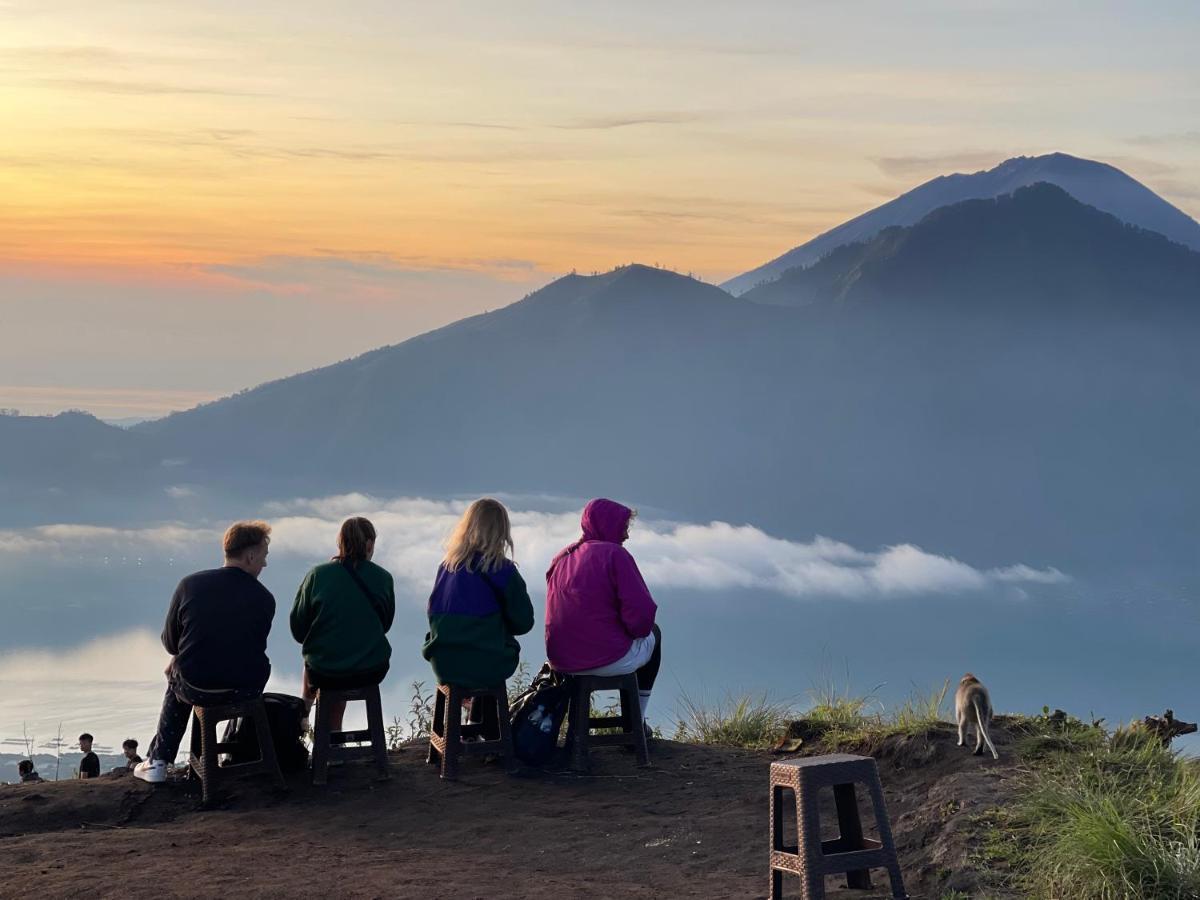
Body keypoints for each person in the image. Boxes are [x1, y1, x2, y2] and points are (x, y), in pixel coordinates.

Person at [134, 520, 275, 784]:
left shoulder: (190, 585)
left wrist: (178, 658)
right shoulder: (265, 598)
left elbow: (170, 643)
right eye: (264, 557)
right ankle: (229, 752)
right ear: (250, 555)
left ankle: (159, 760)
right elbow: (250, 645)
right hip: (246, 690)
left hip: (197, 688)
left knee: (178, 671)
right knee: (198, 666)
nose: (264, 564)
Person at [545, 498, 661, 724]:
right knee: (654, 634)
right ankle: (635, 722)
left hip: (561, 661)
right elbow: (641, 618)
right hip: (605, 658)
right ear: (608, 524)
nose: (626, 535)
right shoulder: (615, 555)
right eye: (624, 527)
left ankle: (577, 733)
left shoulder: (561, 558)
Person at [423, 499, 534, 727]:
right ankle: (491, 736)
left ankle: (474, 722)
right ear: (501, 531)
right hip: (485, 663)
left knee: (482, 645)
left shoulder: (446, 567)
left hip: (444, 662)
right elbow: (524, 623)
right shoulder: (503, 570)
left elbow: (433, 616)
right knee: (494, 650)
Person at [291, 516, 396, 731]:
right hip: (372, 668)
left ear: (341, 542)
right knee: (348, 657)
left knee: (324, 661)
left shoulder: (317, 576)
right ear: (369, 544)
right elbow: (385, 624)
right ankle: (335, 743)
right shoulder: (384, 578)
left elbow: (298, 629)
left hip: (324, 671)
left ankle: (306, 708)